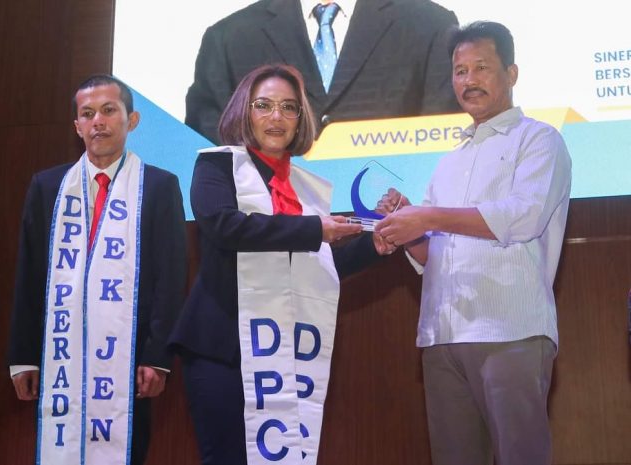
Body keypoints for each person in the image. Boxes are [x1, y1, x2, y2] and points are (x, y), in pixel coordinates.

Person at [170, 63, 392, 465]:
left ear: (300, 119)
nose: (277, 116)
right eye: (264, 105)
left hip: (287, 350)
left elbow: (318, 265)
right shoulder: (216, 165)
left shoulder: (306, 187)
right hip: (221, 347)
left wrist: (375, 243)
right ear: (244, 111)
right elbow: (226, 227)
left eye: (289, 107)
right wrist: (314, 230)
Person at [375, 21, 572, 465]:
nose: (469, 80)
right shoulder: (449, 162)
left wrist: (426, 216)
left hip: (510, 330)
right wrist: (406, 229)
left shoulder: (540, 140)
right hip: (441, 336)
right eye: (460, 71)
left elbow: (523, 216)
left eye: (481, 67)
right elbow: (433, 255)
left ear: (511, 73)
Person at [7, 74, 187, 465]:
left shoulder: (159, 186)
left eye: (108, 110)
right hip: (60, 351)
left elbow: (170, 278)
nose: (98, 122)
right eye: (87, 114)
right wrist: (24, 356)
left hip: (129, 357)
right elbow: (30, 275)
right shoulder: (48, 187)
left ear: (132, 120)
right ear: (77, 126)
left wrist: (157, 356)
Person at [185, 0, 461, 144]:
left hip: (395, 223)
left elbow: (445, 137)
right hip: (271, 227)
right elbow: (209, 143)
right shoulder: (229, 38)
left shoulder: (431, 25)